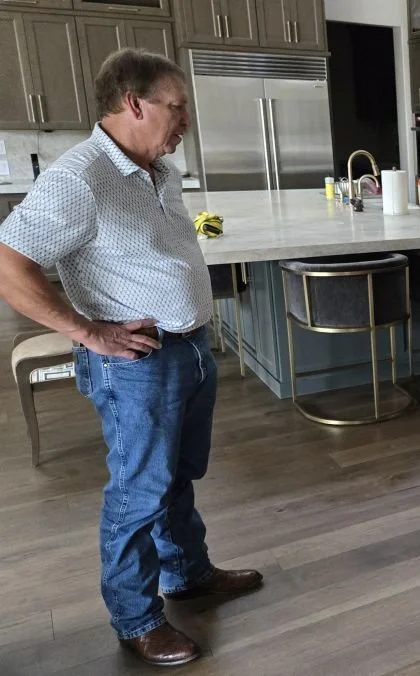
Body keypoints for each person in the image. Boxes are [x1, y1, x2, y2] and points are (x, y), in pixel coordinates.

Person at [0, 48, 261, 667]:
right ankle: (136, 618)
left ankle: (187, 574)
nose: (186, 119)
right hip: (136, 366)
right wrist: (88, 332)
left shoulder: (160, 171)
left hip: (189, 349)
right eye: (178, 106)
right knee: (138, 493)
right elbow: (8, 264)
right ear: (135, 103)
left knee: (178, 477)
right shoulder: (79, 178)